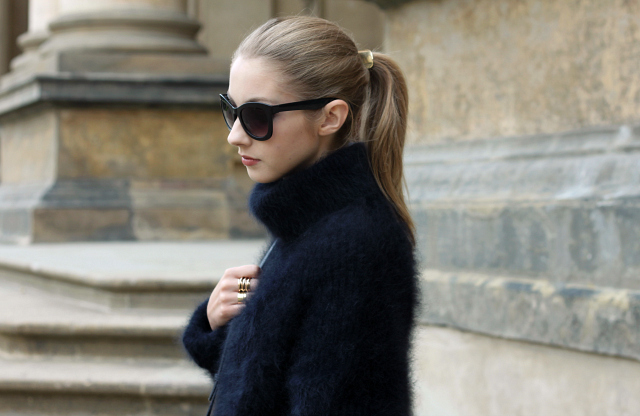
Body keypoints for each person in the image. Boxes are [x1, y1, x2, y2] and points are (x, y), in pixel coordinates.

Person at [182, 15, 418, 416]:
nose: (235, 135)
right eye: (231, 110)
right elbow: (262, 376)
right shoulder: (307, 223)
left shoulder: (354, 243)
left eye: (257, 116)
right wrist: (219, 317)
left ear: (330, 117)